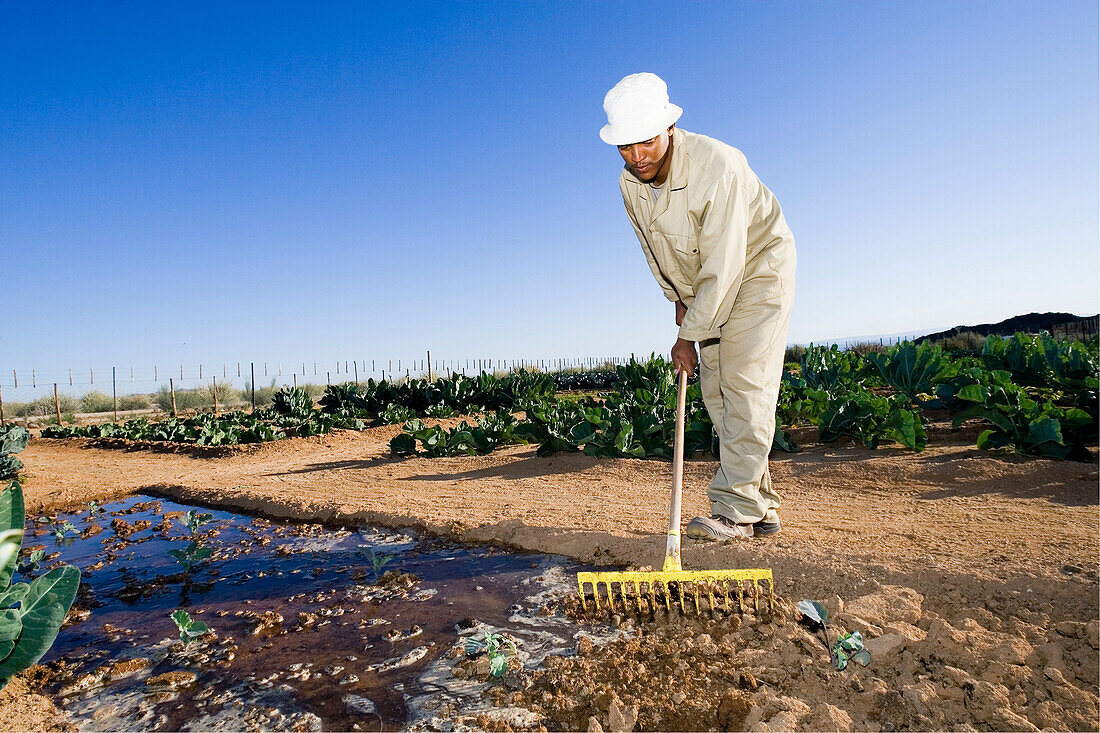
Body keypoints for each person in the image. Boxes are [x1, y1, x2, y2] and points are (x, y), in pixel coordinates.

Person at [600, 72, 796, 541]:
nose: (636, 157)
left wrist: (688, 335)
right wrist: (679, 301)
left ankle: (735, 510)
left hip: (756, 269)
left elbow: (726, 262)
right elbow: (654, 248)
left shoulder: (718, 167)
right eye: (625, 147)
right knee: (716, 391)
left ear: (668, 129)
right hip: (702, 287)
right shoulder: (630, 183)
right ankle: (759, 501)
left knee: (745, 380)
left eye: (645, 142)